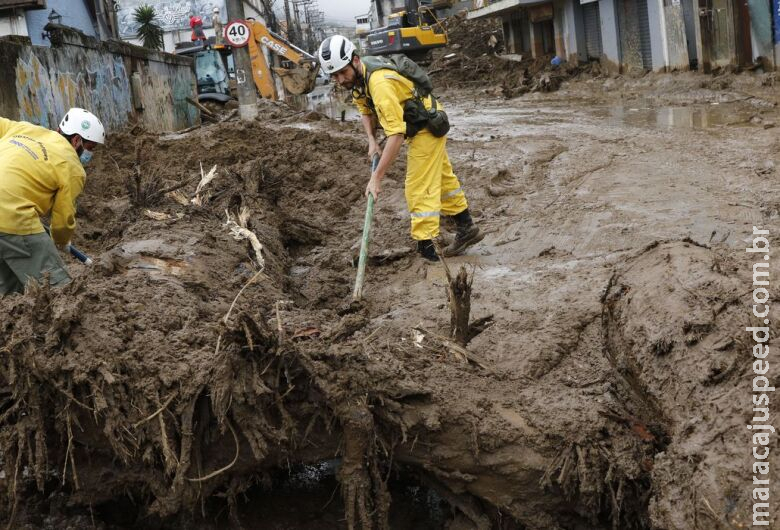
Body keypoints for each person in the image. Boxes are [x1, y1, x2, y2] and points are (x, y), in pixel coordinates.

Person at [318, 36, 483, 261]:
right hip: (416, 122)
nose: (339, 80)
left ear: (355, 60)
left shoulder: (378, 83)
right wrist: (371, 141)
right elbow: (365, 111)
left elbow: (395, 135)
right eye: (334, 75)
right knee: (443, 180)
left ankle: (428, 250)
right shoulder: (358, 78)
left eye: (342, 72)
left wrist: (377, 177)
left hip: (426, 124)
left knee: (418, 187)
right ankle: (466, 227)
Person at [0, 108, 104, 295]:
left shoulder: (24, 129)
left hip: (8, 216)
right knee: (59, 292)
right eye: (90, 148)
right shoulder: (72, 167)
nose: (89, 154)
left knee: (8, 290)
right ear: (76, 140)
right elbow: (63, 219)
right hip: (14, 218)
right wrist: (61, 240)